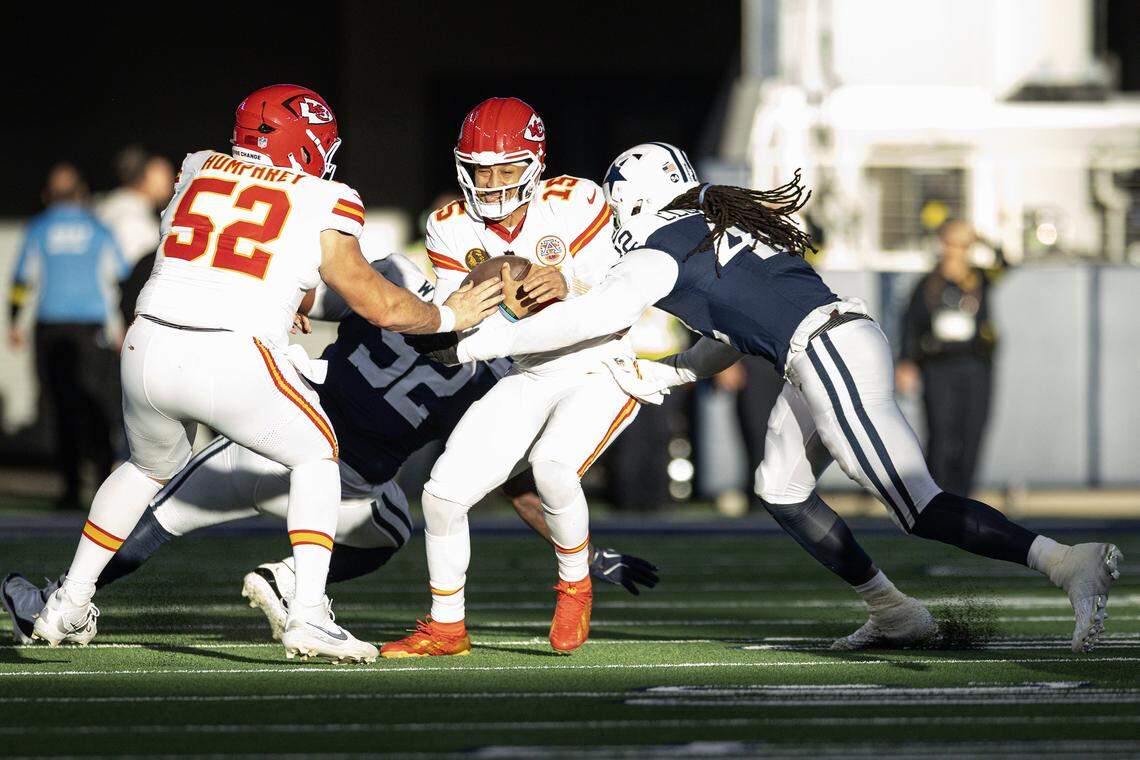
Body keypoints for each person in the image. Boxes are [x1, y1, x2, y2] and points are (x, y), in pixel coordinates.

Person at [441, 142, 1122, 653]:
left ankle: (1065, 562)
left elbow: (595, 316)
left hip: (824, 351)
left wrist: (475, 343)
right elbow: (731, 336)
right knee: (782, 487)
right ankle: (892, 611)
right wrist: (669, 372)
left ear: (636, 197)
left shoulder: (663, 244)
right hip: (823, 347)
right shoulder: (710, 229)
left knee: (916, 503)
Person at [28, 84, 503, 664]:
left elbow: (229, 248)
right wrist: (448, 316)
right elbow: (374, 299)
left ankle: (67, 605)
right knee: (316, 454)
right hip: (231, 353)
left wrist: (294, 290)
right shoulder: (325, 195)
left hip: (147, 345)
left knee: (144, 469)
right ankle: (307, 612)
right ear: (304, 145)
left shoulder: (195, 167)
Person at [1, 255, 657, 645]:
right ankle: (290, 583)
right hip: (340, 493)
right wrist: (586, 556)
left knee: (158, 512)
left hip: (268, 443)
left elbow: (327, 299)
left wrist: (297, 318)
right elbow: (517, 488)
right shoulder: (499, 376)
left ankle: (65, 598)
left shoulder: (397, 291)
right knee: (397, 521)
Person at [382, 98, 637, 659]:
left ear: (535, 163)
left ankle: (575, 583)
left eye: (505, 169)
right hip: (528, 368)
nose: (491, 183)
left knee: (551, 468)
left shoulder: (576, 200)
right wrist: (466, 326)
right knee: (443, 494)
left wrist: (567, 281)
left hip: (599, 363)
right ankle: (447, 626)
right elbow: (463, 323)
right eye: (480, 169)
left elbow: (624, 288)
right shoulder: (449, 226)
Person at [8, 164, 129, 510]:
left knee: (61, 409)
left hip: (51, 329)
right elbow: (118, 277)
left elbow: (21, 281)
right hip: (92, 330)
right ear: (81, 193)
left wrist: (14, 322)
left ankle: (70, 489)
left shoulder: (39, 229)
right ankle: (106, 486)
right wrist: (120, 326)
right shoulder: (98, 229)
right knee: (98, 406)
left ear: (48, 195)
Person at [896, 219, 1004, 496]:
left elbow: (1006, 262)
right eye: (952, 244)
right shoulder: (928, 284)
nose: (957, 251)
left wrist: (982, 238)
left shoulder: (981, 278)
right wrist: (907, 362)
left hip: (976, 365)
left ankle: (964, 497)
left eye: (964, 245)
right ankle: (937, 499)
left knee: (972, 434)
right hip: (939, 366)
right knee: (941, 434)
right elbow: (911, 324)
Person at [98, 147, 177, 327]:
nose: (171, 181)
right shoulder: (137, 223)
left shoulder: (107, 206)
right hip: (118, 321)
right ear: (147, 175)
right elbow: (131, 280)